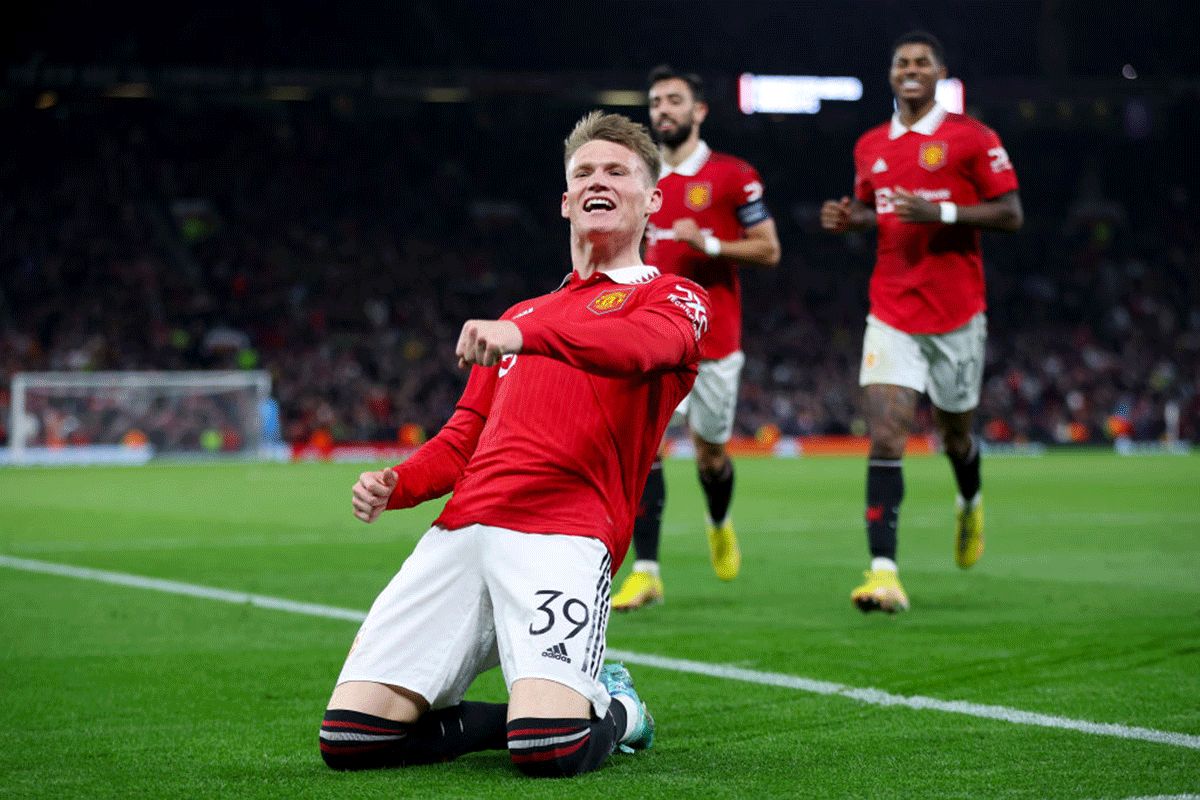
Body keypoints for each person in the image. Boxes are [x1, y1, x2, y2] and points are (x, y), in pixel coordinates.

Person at [319, 110, 711, 778]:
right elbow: (464, 435)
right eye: (584, 171)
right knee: (352, 739)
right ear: (565, 201)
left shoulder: (673, 298)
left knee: (551, 751)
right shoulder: (517, 316)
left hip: (564, 532)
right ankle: (526, 713)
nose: (599, 180)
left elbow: (639, 351)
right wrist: (400, 482)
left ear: (653, 200)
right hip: (461, 533)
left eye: (618, 171)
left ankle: (618, 708)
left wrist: (531, 339)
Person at [820, 30, 1023, 613]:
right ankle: (883, 573)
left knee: (956, 436)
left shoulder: (971, 136)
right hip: (891, 309)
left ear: (939, 73)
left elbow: (1011, 212)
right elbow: (873, 209)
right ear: (891, 74)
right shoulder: (871, 145)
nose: (910, 69)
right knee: (886, 434)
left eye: (921, 62)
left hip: (957, 314)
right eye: (901, 62)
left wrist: (944, 212)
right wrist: (849, 218)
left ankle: (969, 502)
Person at [611, 65, 781, 611]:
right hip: (652, 338)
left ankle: (719, 519)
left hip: (714, 340)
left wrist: (709, 245)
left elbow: (769, 250)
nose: (663, 109)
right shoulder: (636, 176)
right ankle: (647, 571)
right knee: (645, 451)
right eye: (656, 101)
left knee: (711, 454)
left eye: (674, 100)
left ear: (698, 111)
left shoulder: (733, 175)